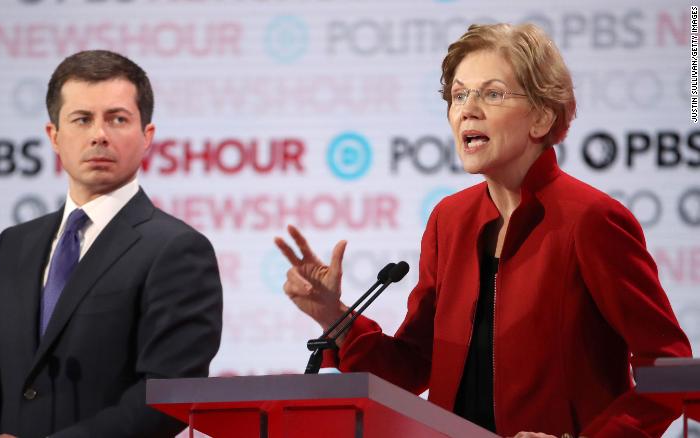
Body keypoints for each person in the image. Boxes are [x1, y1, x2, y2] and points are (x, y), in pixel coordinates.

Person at [275, 23, 691, 438]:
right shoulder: (449, 221)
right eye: (459, 95)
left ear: (542, 116)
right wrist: (335, 317)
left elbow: (668, 369)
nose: (467, 109)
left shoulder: (591, 219)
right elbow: (412, 366)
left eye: (492, 93)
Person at [0, 50, 224, 438]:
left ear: (147, 137)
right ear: (54, 137)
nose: (99, 134)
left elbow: (164, 396)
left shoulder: (177, 250)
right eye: (82, 119)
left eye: (117, 119)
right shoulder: (14, 246)